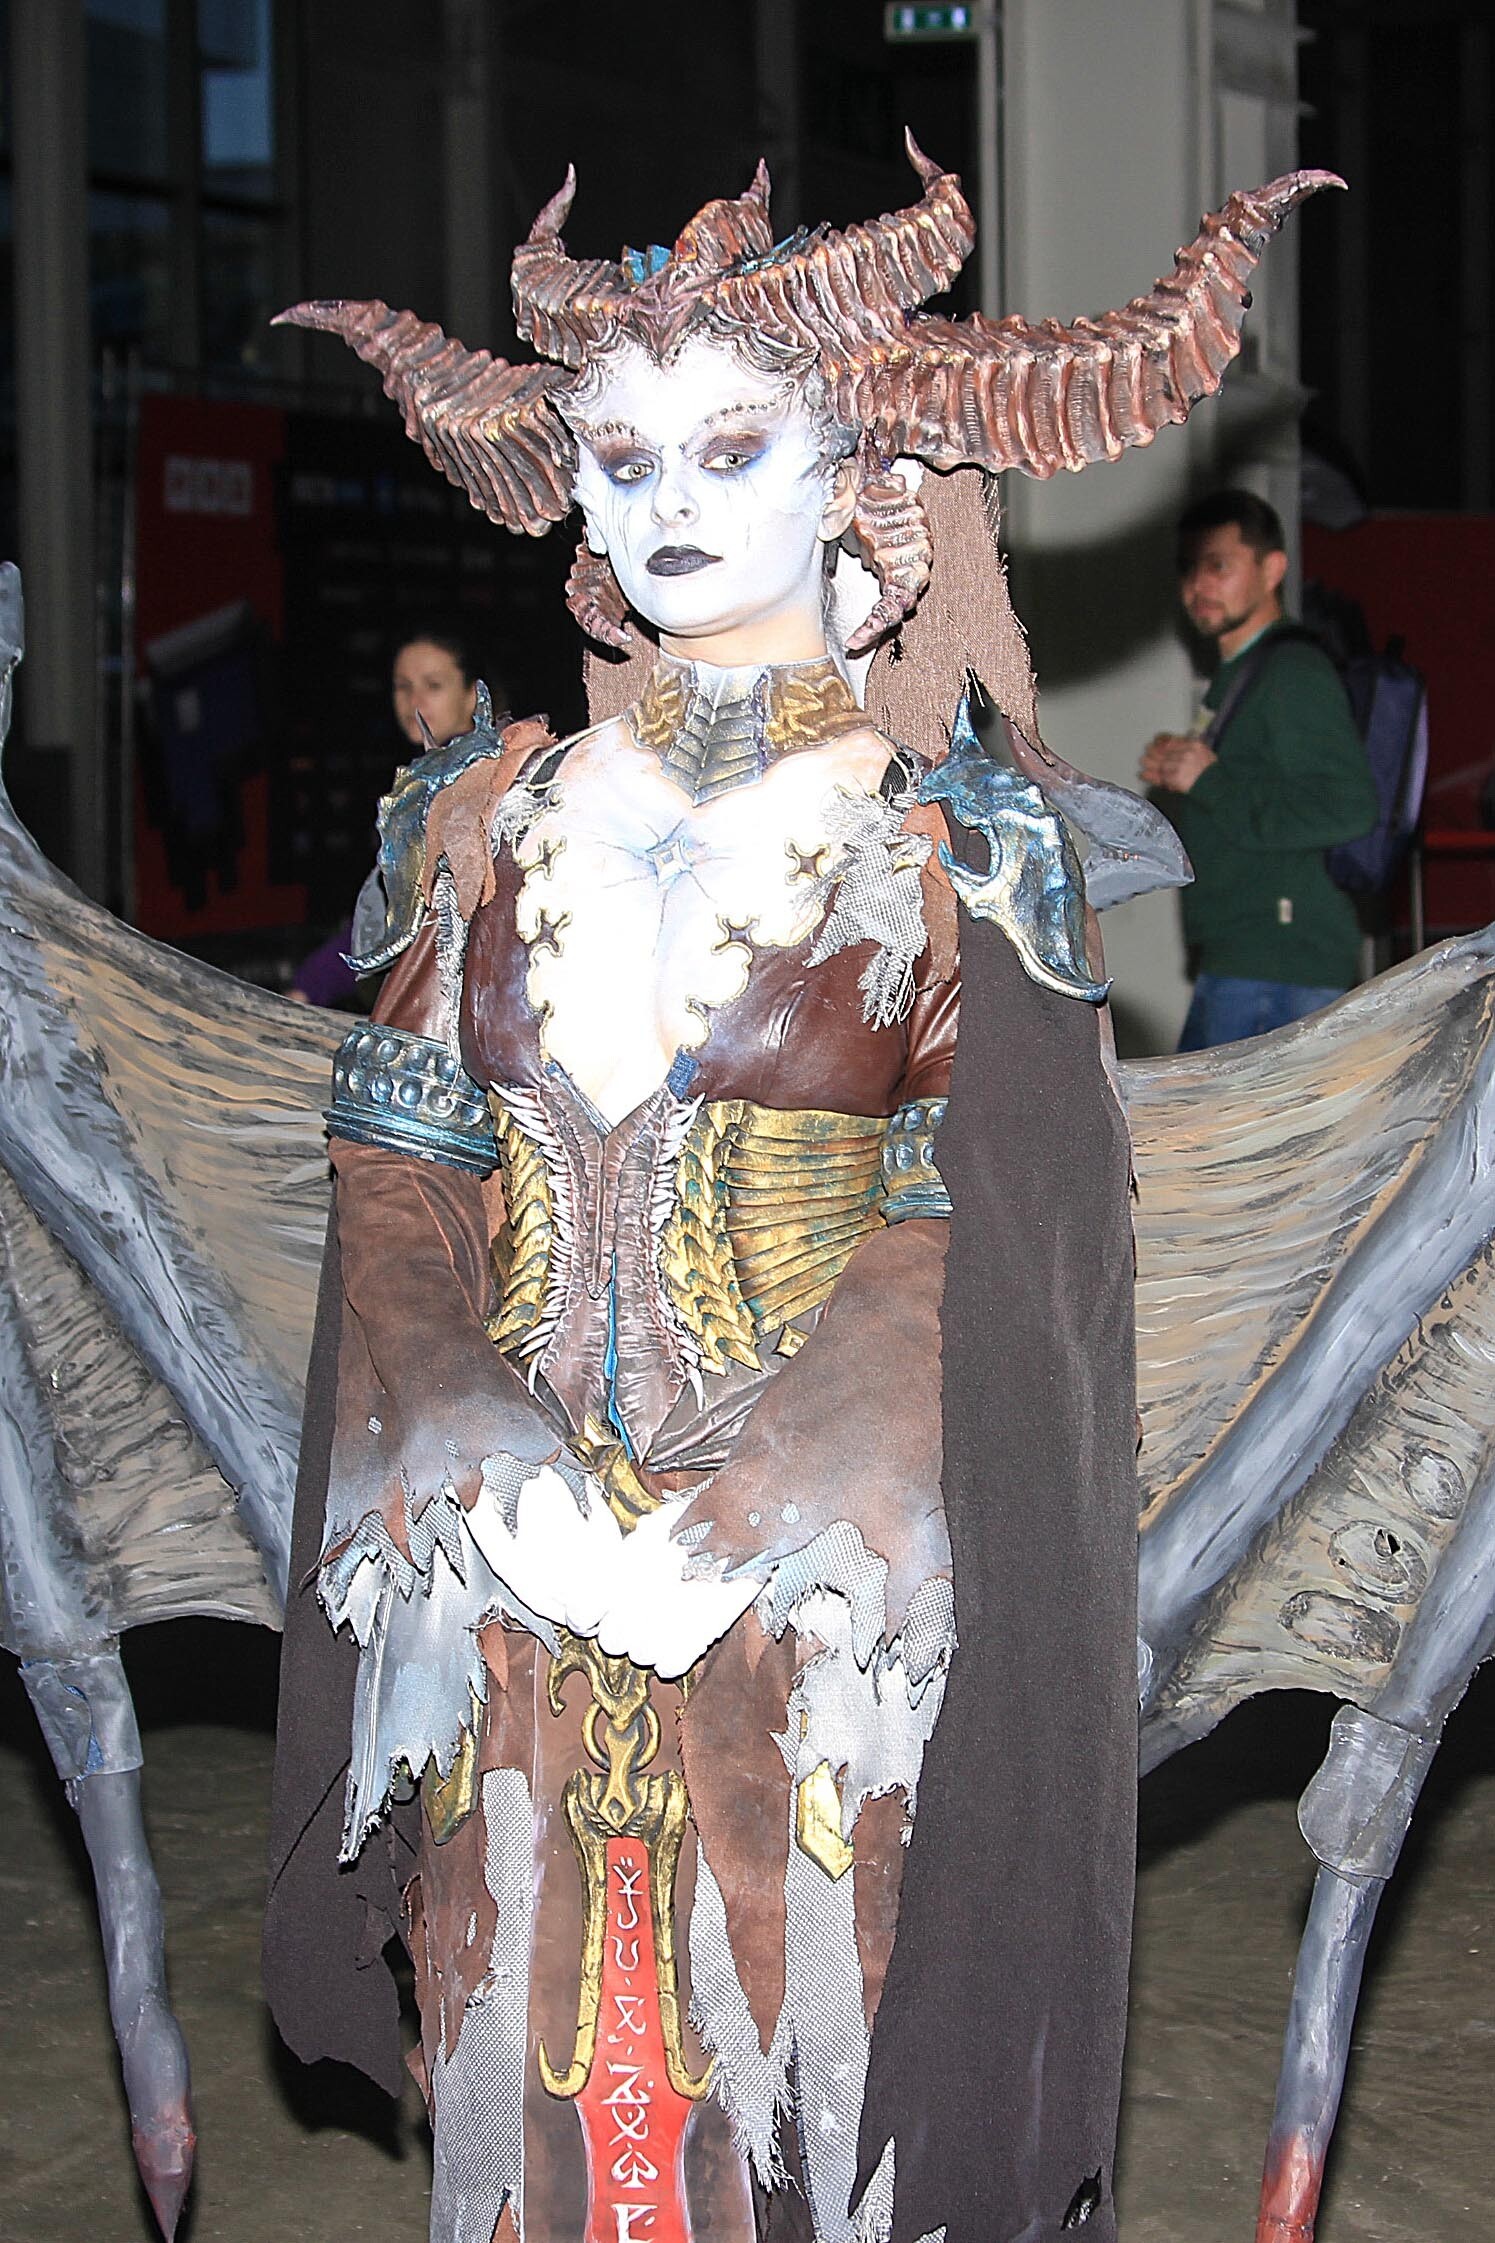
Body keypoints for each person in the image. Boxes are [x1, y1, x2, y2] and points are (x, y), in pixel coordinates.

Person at [262, 152, 1332, 2243]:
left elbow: (983, 1226)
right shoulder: (484, 815)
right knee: (525, 2094)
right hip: (514, 1584)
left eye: (732, 445)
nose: (667, 495)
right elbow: (400, 1152)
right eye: (621, 452)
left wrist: (764, 1509)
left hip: (818, 1600)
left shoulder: (950, 842)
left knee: (806, 2110)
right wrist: (463, 1433)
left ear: (856, 471)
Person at [1140, 489, 1378, 1050]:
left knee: (1205, 1112)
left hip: (1279, 964)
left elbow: (1348, 807)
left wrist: (1208, 780)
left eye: (1219, 566)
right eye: (1188, 568)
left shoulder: (1292, 672)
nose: (1198, 586)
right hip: (1245, 957)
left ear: (1272, 569)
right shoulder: (1243, 674)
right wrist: (1189, 769)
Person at [290, 628, 497, 1005]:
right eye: (403, 686)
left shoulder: (491, 779)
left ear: (472, 694)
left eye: (433, 685)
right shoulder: (418, 785)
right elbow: (391, 911)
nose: (414, 701)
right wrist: (309, 986)